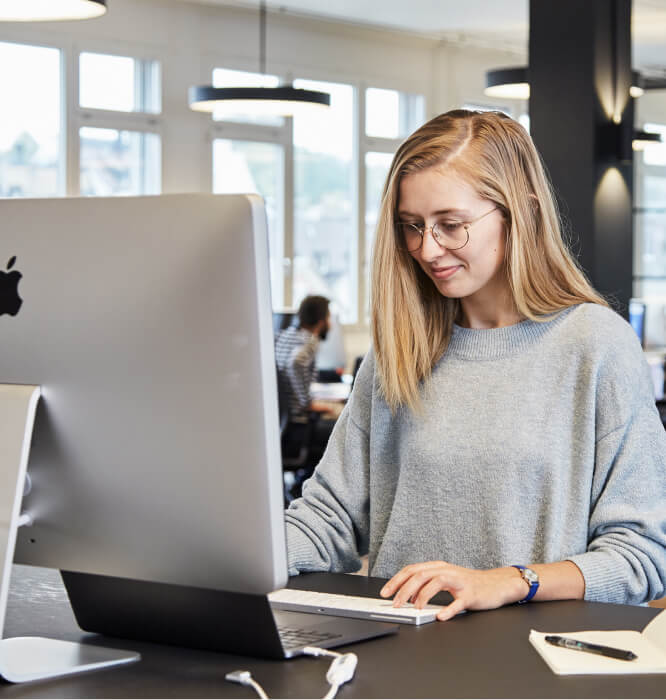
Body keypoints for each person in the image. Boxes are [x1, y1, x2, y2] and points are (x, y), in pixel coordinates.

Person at [284, 109, 666, 619]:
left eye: (451, 225)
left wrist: (509, 582)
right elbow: (328, 520)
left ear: (520, 211)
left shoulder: (595, 346)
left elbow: (641, 558)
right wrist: (225, 556)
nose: (427, 248)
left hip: (530, 669)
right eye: (412, 226)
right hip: (398, 660)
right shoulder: (400, 351)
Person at [275, 295, 340, 491]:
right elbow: (296, 362)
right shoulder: (310, 341)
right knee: (343, 423)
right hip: (298, 426)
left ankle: (304, 482)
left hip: (284, 425)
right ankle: (316, 490)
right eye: (329, 318)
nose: (330, 323)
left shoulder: (285, 335)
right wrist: (306, 402)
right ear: (321, 321)